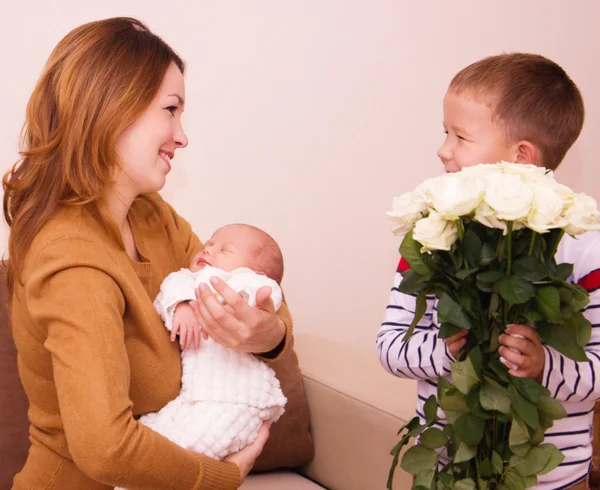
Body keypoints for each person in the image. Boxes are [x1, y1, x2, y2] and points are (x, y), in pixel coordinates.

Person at [3, 17, 299, 490]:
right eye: (171, 109)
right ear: (113, 108)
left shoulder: (151, 216)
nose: (182, 136)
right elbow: (106, 448)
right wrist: (224, 477)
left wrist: (269, 336)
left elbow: (244, 286)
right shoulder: (71, 259)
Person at [377, 53, 599, 490]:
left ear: (520, 157)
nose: (443, 149)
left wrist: (544, 366)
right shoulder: (433, 238)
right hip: (452, 473)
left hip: (555, 479)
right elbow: (390, 346)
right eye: (445, 132)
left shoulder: (586, 249)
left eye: (460, 136)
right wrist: (448, 353)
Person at [138, 224, 287, 463]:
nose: (208, 250)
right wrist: (181, 306)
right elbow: (169, 289)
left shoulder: (245, 282)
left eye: (225, 250)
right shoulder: (186, 280)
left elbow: (268, 294)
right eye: (208, 244)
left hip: (240, 398)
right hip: (192, 396)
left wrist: (244, 301)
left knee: (190, 445)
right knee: (149, 435)